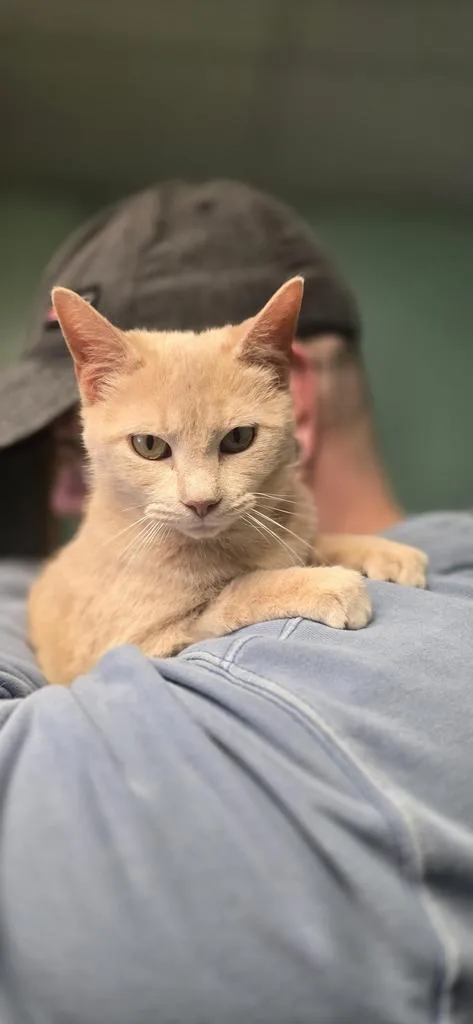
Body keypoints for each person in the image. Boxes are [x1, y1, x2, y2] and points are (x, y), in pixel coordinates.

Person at [0, 180, 472, 1023]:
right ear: (93, 392)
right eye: (149, 447)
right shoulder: (109, 546)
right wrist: (250, 593)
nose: (197, 494)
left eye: (235, 441)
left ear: (288, 393)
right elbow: (120, 645)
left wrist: (295, 568)